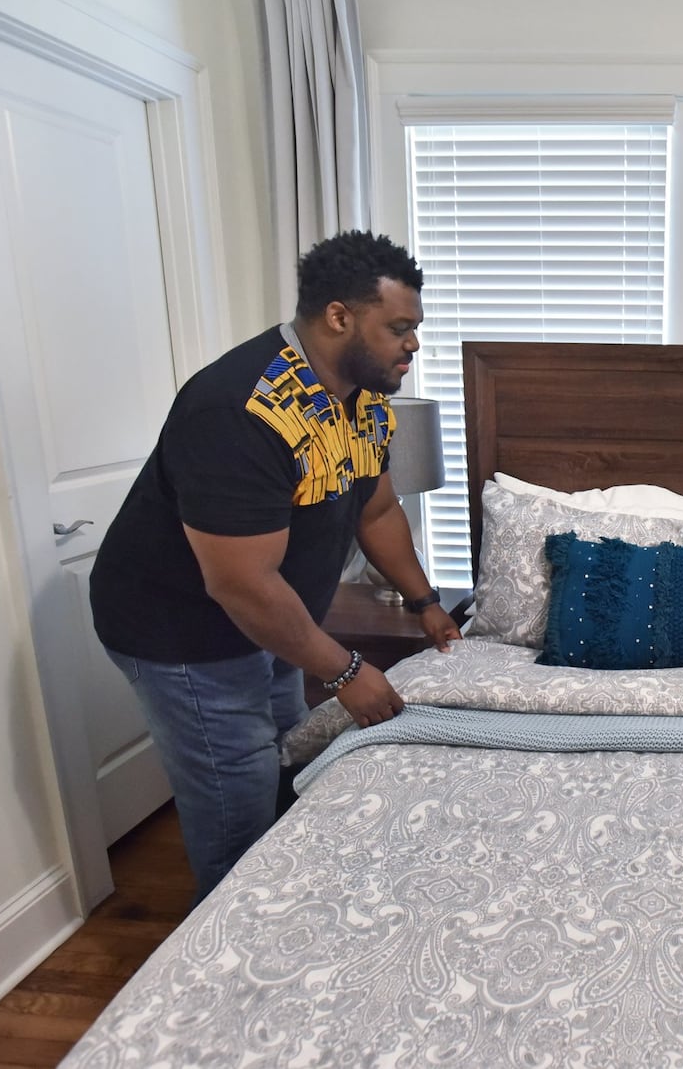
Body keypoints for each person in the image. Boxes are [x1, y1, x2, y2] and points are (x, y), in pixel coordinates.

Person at [90, 230, 461, 902]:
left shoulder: (365, 396)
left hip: (268, 616)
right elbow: (240, 582)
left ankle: (286, 900)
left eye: (415, 329)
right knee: (235, 796)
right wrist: (346, 671)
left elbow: (374, 509)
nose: (413, 345)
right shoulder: (241, 409)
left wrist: (424, 601)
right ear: (340, 317)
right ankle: (233, 953)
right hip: (184, 631)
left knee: (287, 756)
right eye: (399, 328)